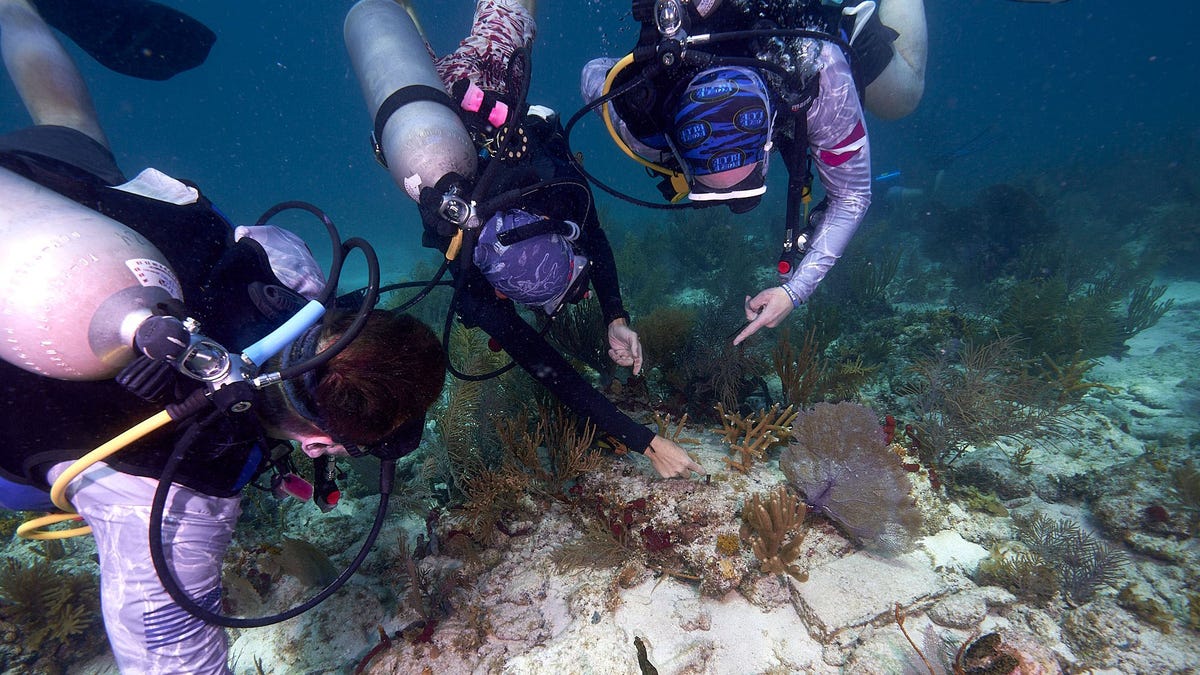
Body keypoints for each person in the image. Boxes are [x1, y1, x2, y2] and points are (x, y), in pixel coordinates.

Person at [0, 1, 447, 672]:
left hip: (51, 192)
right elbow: (169, 652)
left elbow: (267, 236)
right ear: (324, 441)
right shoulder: (178, 492)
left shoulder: (287, 275)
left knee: (67, 123)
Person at [345, 0, 707, 479]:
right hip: (427, 117)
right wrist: (643, 439)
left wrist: (615, 315)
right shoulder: (478, 270)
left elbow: (591, 247)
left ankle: (393, 17)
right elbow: (547, 365)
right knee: (414, 61)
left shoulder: (559, 199)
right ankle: (395, 20)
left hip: (469, 97)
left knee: (503, 20)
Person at [581, 0, 927, 345]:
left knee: (902, 97)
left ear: (770, 137)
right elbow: (594, 74)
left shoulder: (817, 76)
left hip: (805, 35)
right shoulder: (641, 118)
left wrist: (795, 291)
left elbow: (852, 195)